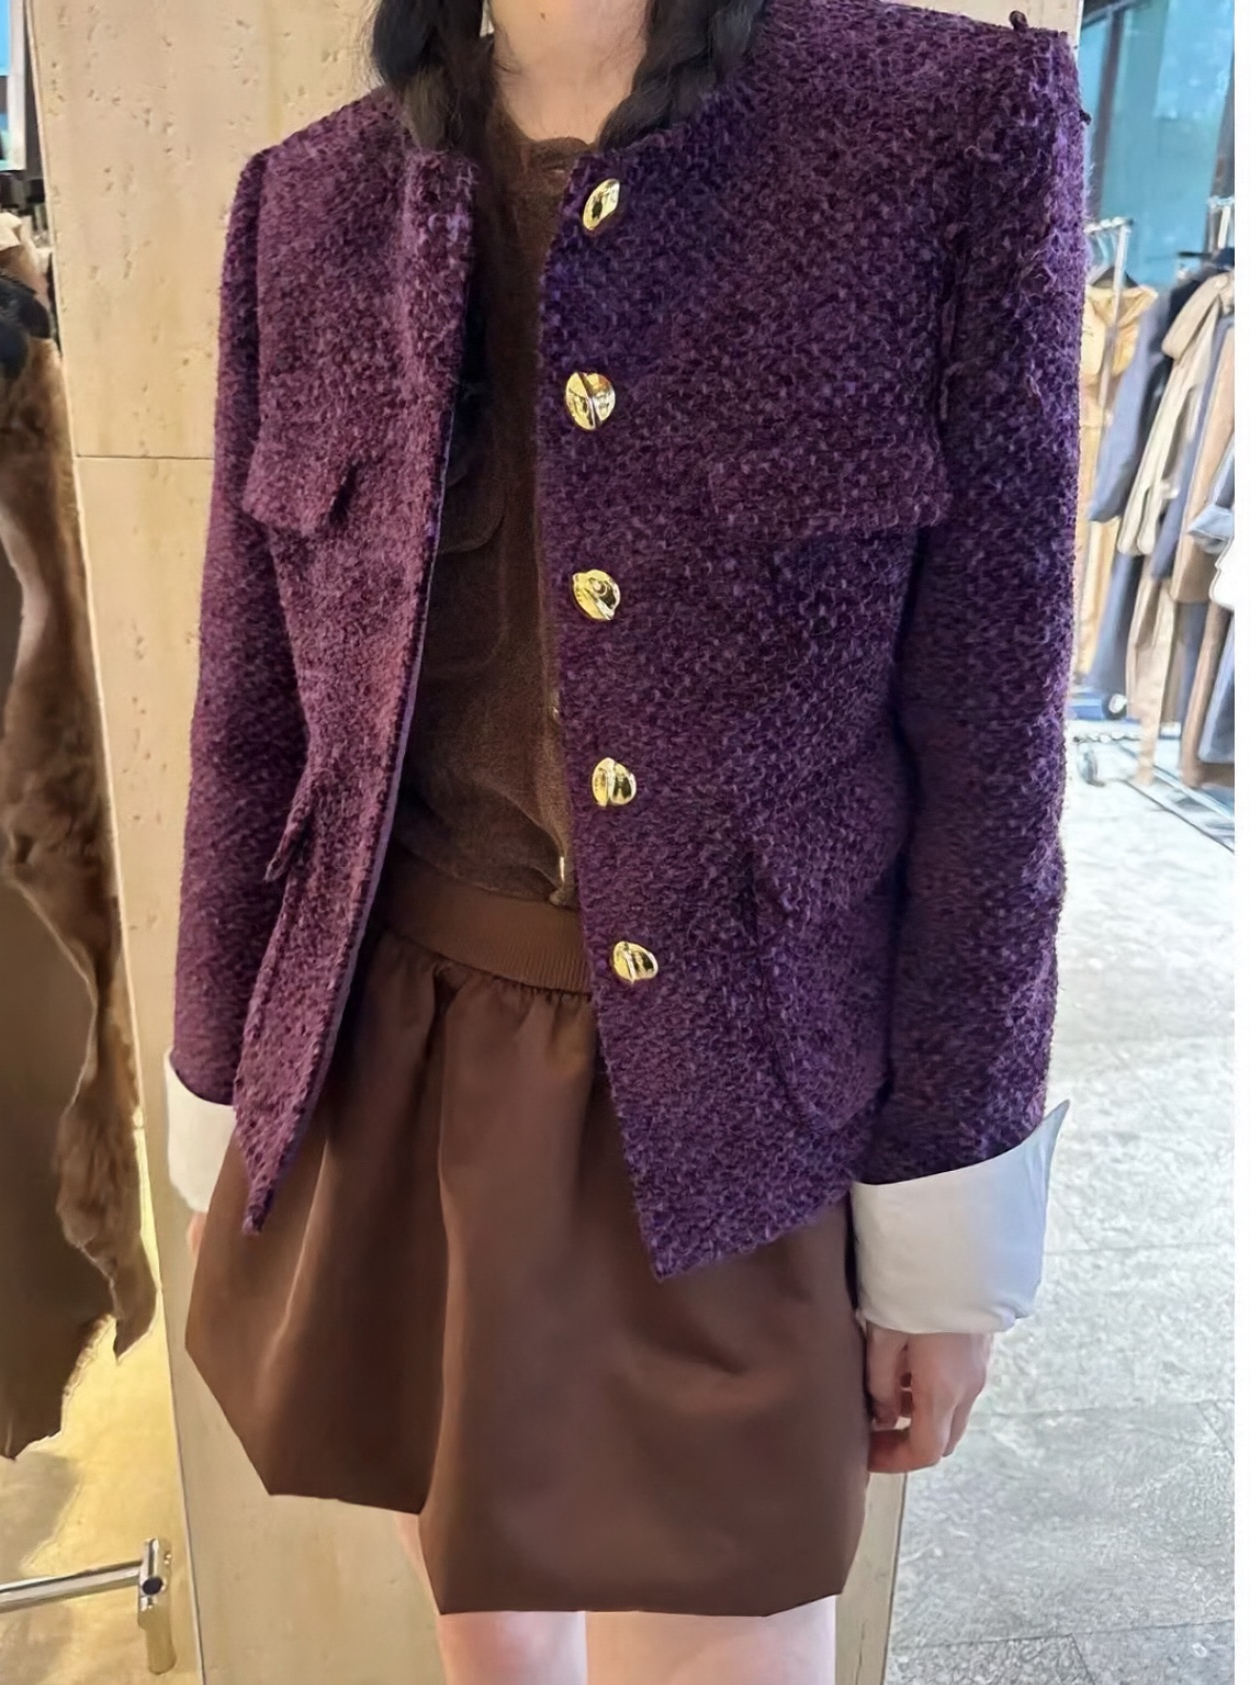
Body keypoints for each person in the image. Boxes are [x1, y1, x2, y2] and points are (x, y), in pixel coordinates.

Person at [165, 0, 1085, 1679]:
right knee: (490, 1640)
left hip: (752, 1102)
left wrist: (946, 1232)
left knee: (729, 1641)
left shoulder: (942, 130)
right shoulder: (310, 202)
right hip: (407, 1072)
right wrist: (228, 1086)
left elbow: (994, 756)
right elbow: (252, 712)